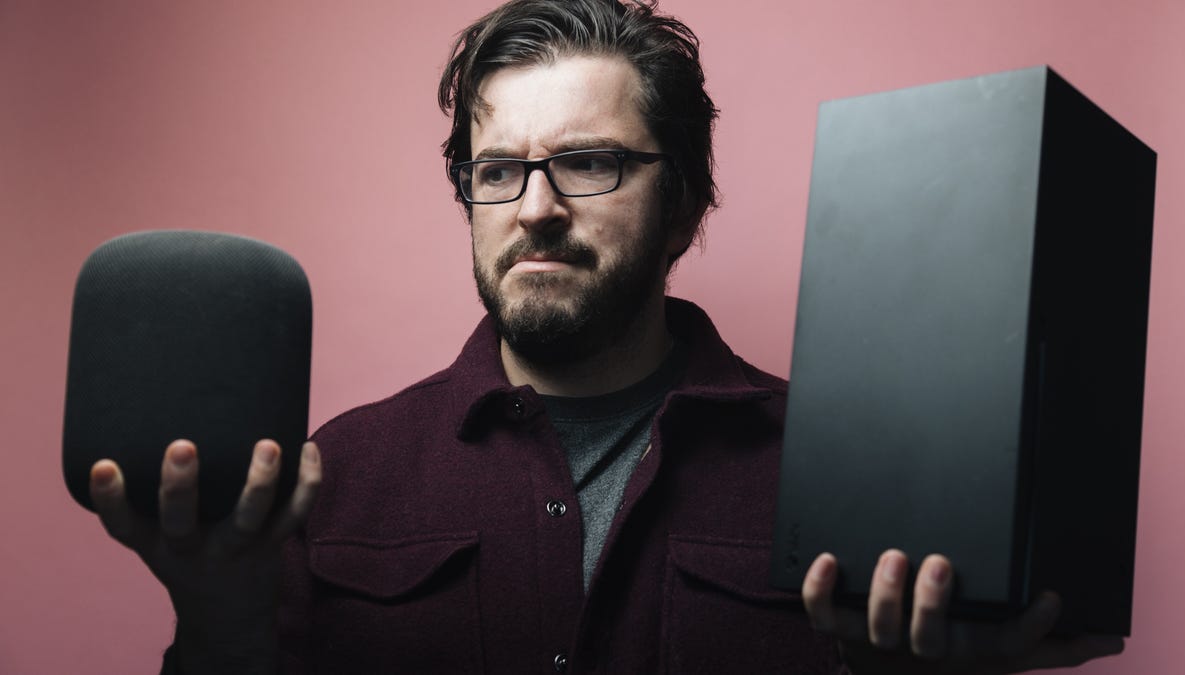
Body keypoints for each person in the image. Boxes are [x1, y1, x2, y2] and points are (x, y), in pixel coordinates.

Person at [87, 0, 1126, 673]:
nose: (535, 208)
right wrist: (216, 617)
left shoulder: (856, 479)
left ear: (683, 208)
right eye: (499, 172)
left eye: (588, 163)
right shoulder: (333, 474)